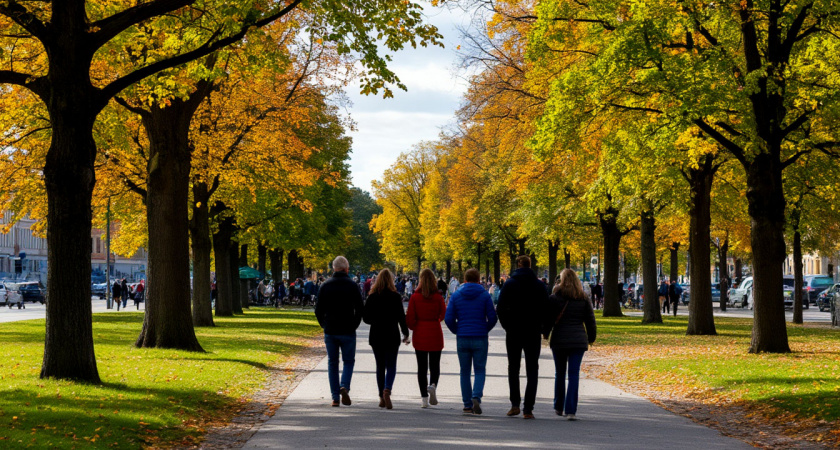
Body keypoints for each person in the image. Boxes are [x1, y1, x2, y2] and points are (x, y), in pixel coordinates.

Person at [496, 255, 549, 419]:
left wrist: (507, 326)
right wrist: (543, 329)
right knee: (532, 369)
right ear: (530, 265)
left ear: (518, 265)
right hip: (532, 331)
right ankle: (528, 408)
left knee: (513, 367)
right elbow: (546, 309)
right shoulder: (539, 285)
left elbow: (501, 307)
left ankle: (515, 404)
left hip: (514, 331)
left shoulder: (510, 284)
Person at [544, 268, 597, 421]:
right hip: (578, 340)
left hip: (559, 339)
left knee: (559, 373)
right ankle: (571, 409)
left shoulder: (555, 298)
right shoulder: (583, 297)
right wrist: (591, 337)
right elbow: (590, 320)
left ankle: (558, 406)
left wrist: (545, 332)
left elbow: (548, 318)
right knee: (573, 374)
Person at [445, 268, 497, 415]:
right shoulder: (485, 295)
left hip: (463, 336)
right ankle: (476, 395)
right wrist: (484, 328)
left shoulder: (456, 295)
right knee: (480, 369)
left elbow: (448, 318)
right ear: (478, 280)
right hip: (480, 336)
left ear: (465, 280)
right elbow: (493, 317)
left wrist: (457, 330)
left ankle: (467, 404)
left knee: (465, 371)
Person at [314, 256, 364, 407]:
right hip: (348, 329)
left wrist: (324, 324)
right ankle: (345, 386)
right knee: (348, 361)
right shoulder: (352, 285)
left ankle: (335, 397)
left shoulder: (325, 285)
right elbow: (360, 308)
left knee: (332, 363)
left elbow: (318, 309)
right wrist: (354, 324)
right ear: (347, 269)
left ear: (333, 268)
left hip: (331, 329)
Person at [363, 268, 409, 410]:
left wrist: (376, 320)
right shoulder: (395, 296)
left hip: (376, 334)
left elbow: (366, 318)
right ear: (391, 280)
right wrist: (405, 333)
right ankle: (387, 389)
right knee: (391, 365)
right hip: (391, 334)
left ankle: (381, 396)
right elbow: (401, 317)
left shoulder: (372, 296)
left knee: (380, 366)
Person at [406, 268, 447, 408]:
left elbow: (410, 318)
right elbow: (443, 312)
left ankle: (424, 398)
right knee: (435, 365)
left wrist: (412, 327)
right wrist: (437, 319)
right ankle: (433, 385)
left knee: (421, 367)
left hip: (420, 333)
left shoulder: (415, 297)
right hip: (435, 332)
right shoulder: (438, 297)